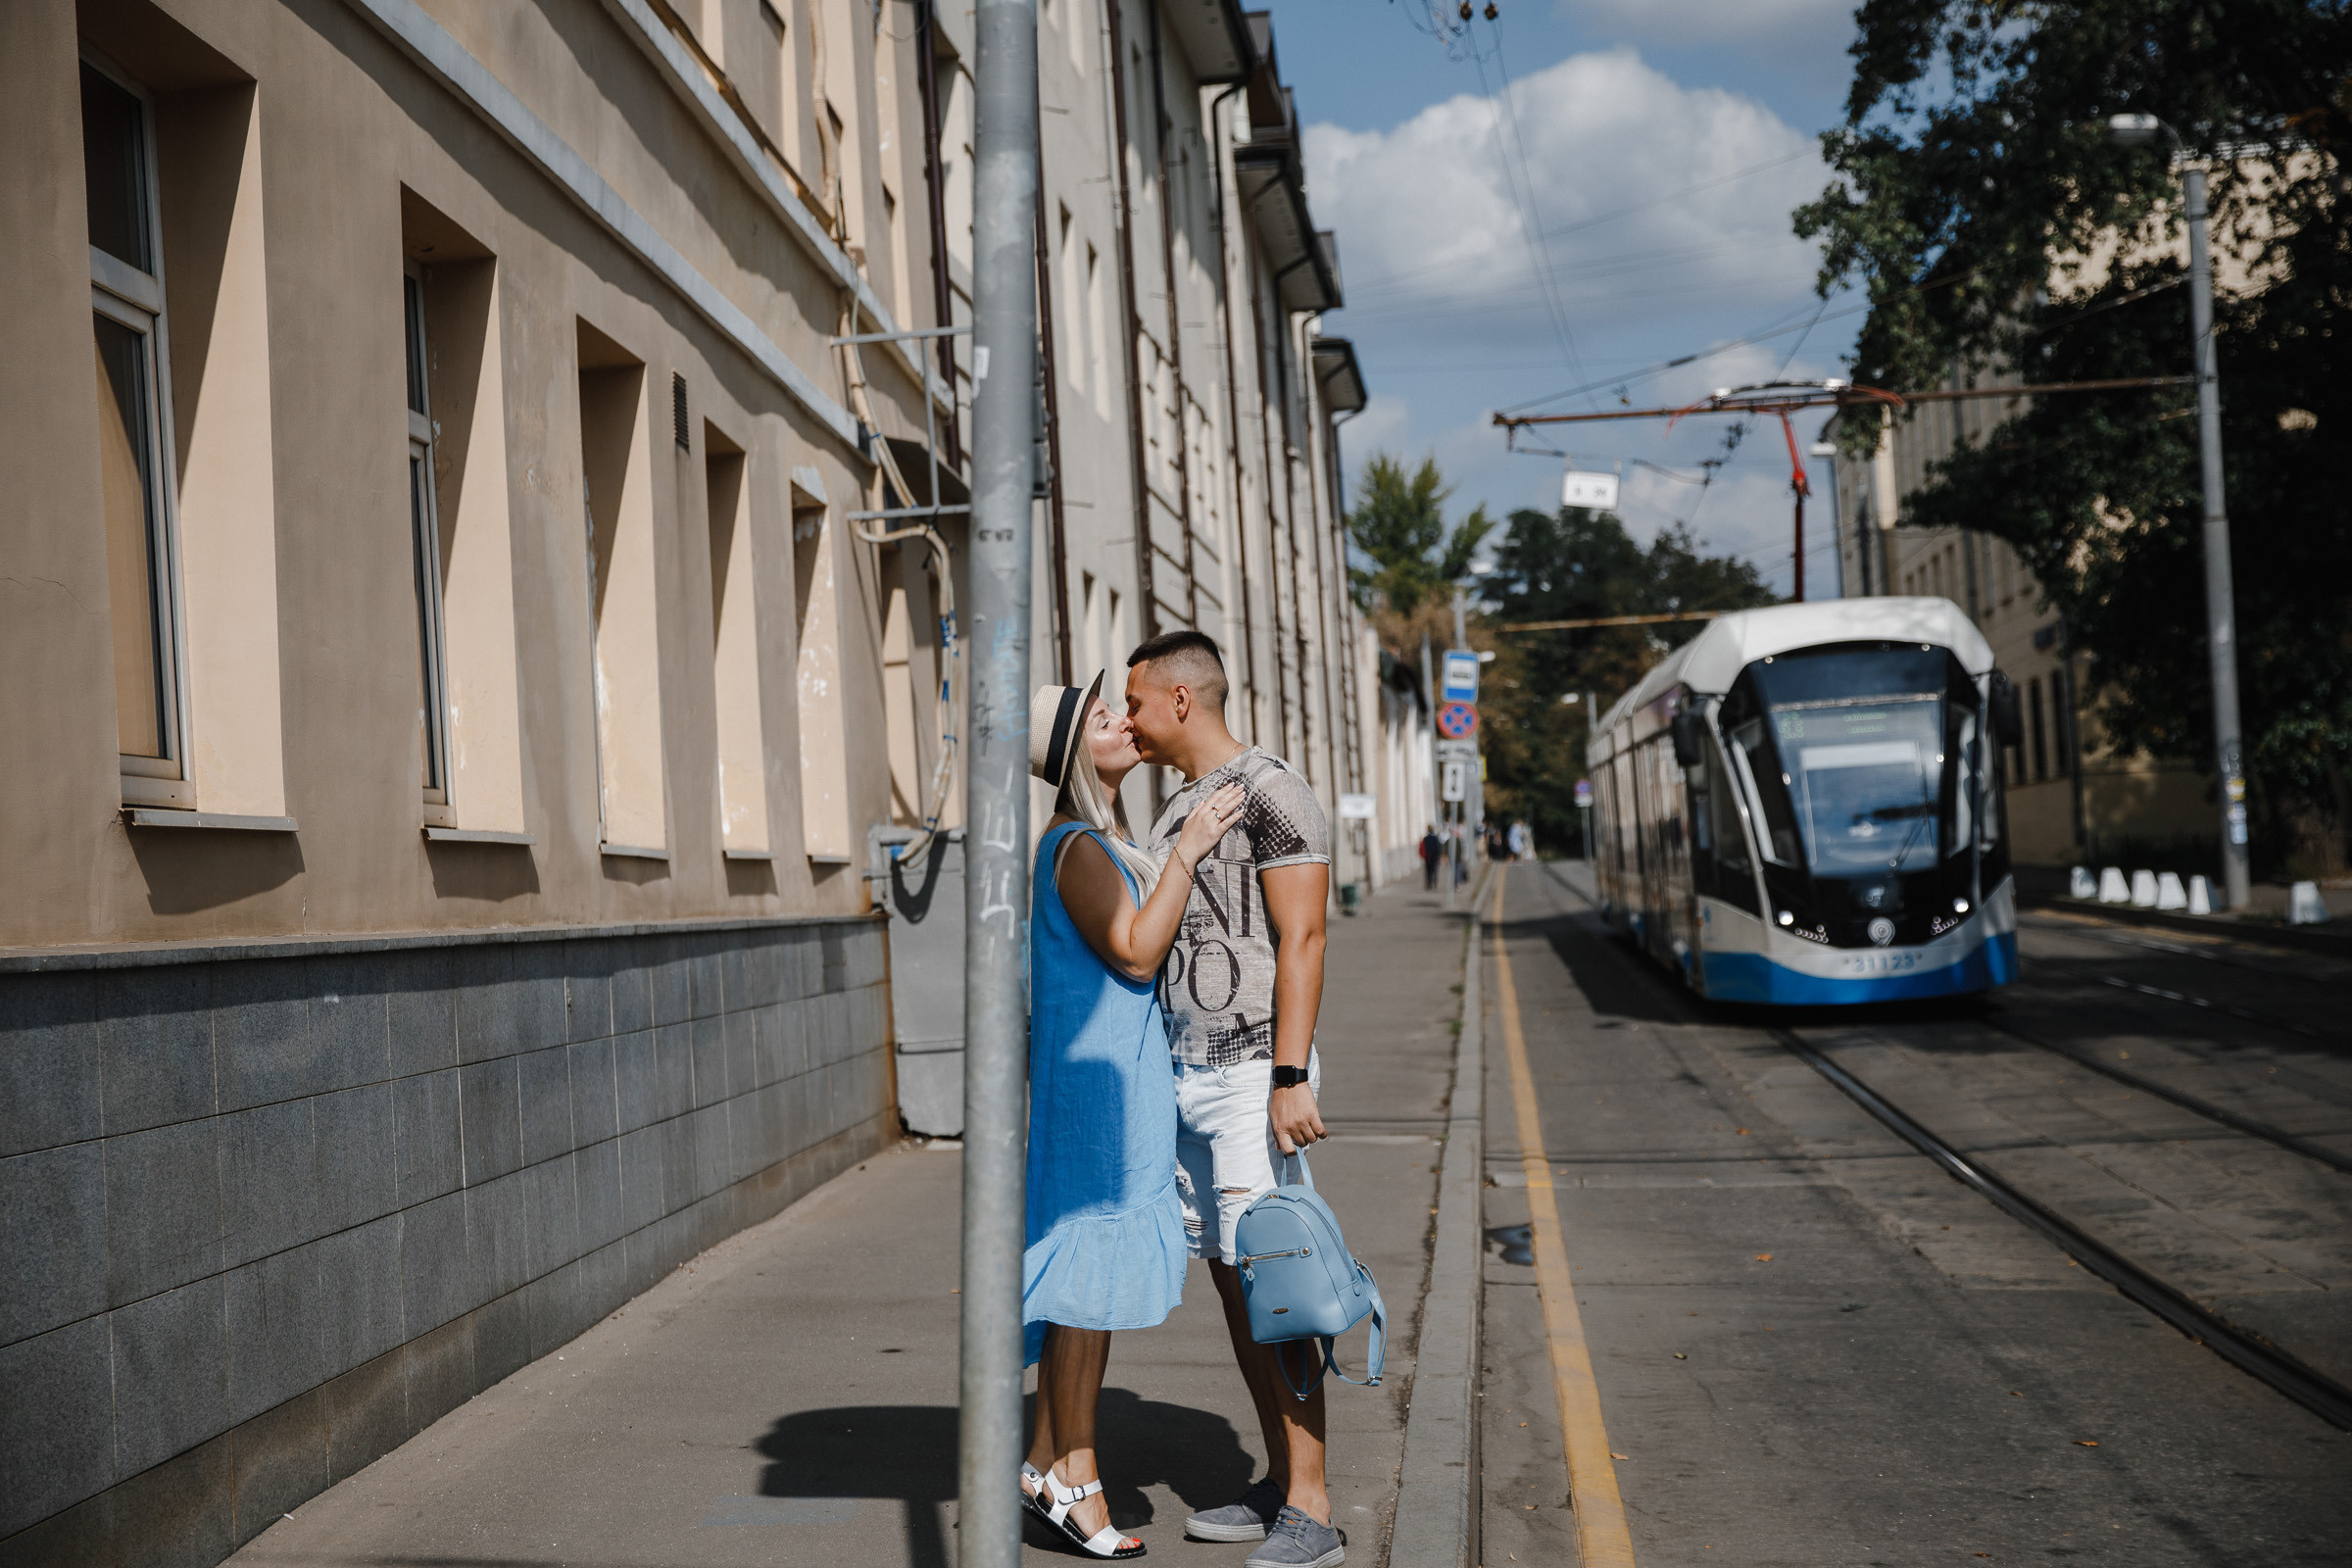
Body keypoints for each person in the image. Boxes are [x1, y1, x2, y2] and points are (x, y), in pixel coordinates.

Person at [1122, 630, 1347, 1568]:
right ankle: (1275, 1483)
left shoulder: (1271, 789)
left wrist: (1289, 1075)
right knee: (1233, 1285)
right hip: (1189, 1076)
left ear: (1182, 700)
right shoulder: (1181, 807)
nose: (1128, 720)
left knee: (1277, 1284)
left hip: (1255, 1075)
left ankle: (1313, 1508)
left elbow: (1304, 938)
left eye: (1136, 702)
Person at [1020, 671, 1248, 1560]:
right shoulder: (1075, 844)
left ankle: (1053, 1464)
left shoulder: (1097, 837)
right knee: (1084, 1286)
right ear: (1081, 752)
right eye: (1105, 718)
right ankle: (1072, 1479)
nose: (1124, 721)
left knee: (1095, 1289)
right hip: (1096, 1096)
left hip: (1117, 1087)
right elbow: (1135, 950)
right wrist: (1188, 850)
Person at [1419, 824, 1444, 890]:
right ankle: (1435, 884)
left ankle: (1429, 885)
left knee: (1428, 872)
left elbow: (1423, 848)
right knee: (1435, 871)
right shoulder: (1435, 838)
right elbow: (1438, 848)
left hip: (1428, 857)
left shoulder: (1425, 838)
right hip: (1435, 857)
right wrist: (1439, 856)